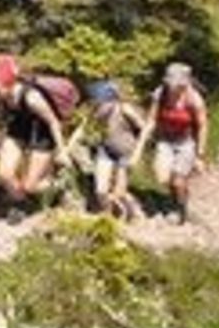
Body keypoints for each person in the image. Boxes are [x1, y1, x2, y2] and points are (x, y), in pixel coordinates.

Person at [0, 54, 73, 225]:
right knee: (3, 174)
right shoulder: (3, 95)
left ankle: (57, 184)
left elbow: (53, 122)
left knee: (30, 186)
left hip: (42, 131)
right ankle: (20, 203)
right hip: (19, 127)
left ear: (9, 83)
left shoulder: (32, 98)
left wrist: (62, 151)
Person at [128, 62, 209, 225]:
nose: (172, 87)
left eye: (176, 84)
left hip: (186, 142)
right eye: (170, 83)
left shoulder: (194, 99)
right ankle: (175, 196)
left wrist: (200, 155)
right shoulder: (160, 94)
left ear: (184, 83)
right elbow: (151, 121)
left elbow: (202, 126)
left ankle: (180, 208)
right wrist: (138, 149)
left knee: (178, 180)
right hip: (164, 140)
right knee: (162, 177)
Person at [83, 80, 146, 220]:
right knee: (100, 191)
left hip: (127, 153)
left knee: (118, 192)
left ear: (111, 100)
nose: (97, 107)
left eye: (99, 103)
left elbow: (145, 129)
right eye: (94, 103)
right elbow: (83, 128)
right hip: (106, 150)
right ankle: (108, 217)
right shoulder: (96, 111)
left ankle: (134, 211)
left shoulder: (125, 109)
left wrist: (138, 152)